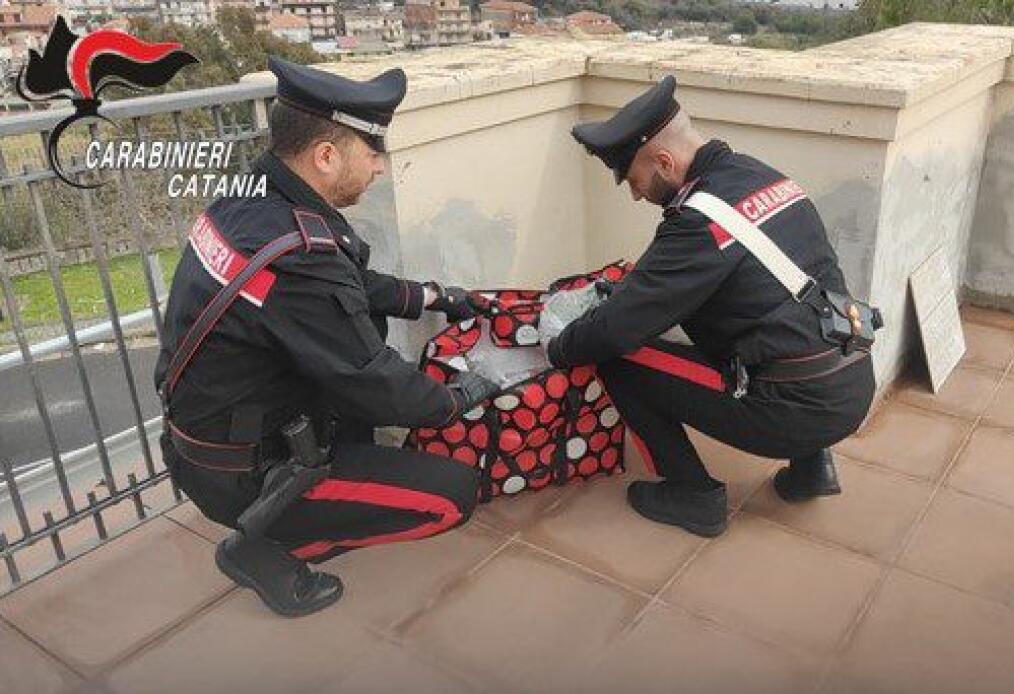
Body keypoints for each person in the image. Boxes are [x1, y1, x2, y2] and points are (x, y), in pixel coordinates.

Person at [154, 57, 498, 617]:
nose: (381, 168)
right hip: (245, 473)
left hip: (204, 441)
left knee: (363, 351)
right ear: (326, 156)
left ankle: (308, 494)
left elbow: (349, 287)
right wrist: (456, 400)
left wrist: (436, 296)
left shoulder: (255, 200)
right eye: (372, 152)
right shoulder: (302, 253)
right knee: (450, 496)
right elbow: (375, 380)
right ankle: (258, 546)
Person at [547, 75, 878, 538]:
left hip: (797, 410)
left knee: (617, 357)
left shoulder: (698, 223)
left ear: (664, 160)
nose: (636, 194)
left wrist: (558, 349)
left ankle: (693, 495)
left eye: (635, 179)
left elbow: (615, 329)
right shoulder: (760, 175)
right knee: (782, 315)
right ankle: (811, 468)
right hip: (854, 378)